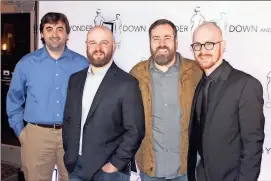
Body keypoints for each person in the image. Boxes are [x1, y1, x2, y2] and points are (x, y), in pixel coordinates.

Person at [6, 12, 89, 181]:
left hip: (72, 134)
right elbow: (14, 100)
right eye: (49, 29)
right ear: (42, 34)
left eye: (60, 29)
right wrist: (22, 133)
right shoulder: (26, 64)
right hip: (37, 136)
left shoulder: (82, 64)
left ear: (67, 34)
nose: (55, 34)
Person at [62, 25, 145, 181]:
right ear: (86, 45)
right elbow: (68, 120)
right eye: (93, 43)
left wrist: (114, 164)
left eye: (104, 43)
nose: (98, 48)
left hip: (108, 171)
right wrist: (69, 153)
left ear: (113, 46)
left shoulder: (127, 83)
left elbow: (135, 130)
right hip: (75, 167)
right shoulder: (75, 80)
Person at [187, 21, 265, 181]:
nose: (202, 51)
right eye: (197, 45)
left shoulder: (246, 85)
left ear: (222, 45)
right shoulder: (201, 83)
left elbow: (252, 146)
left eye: (209, 44)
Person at [130, 19, 202, 181]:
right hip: (149, 170)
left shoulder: (196, 72)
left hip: (187, 169)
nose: (161, 44)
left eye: (167, 38)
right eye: (156, 39)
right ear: (150, 43)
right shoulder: (136, 74)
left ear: (176, 41)